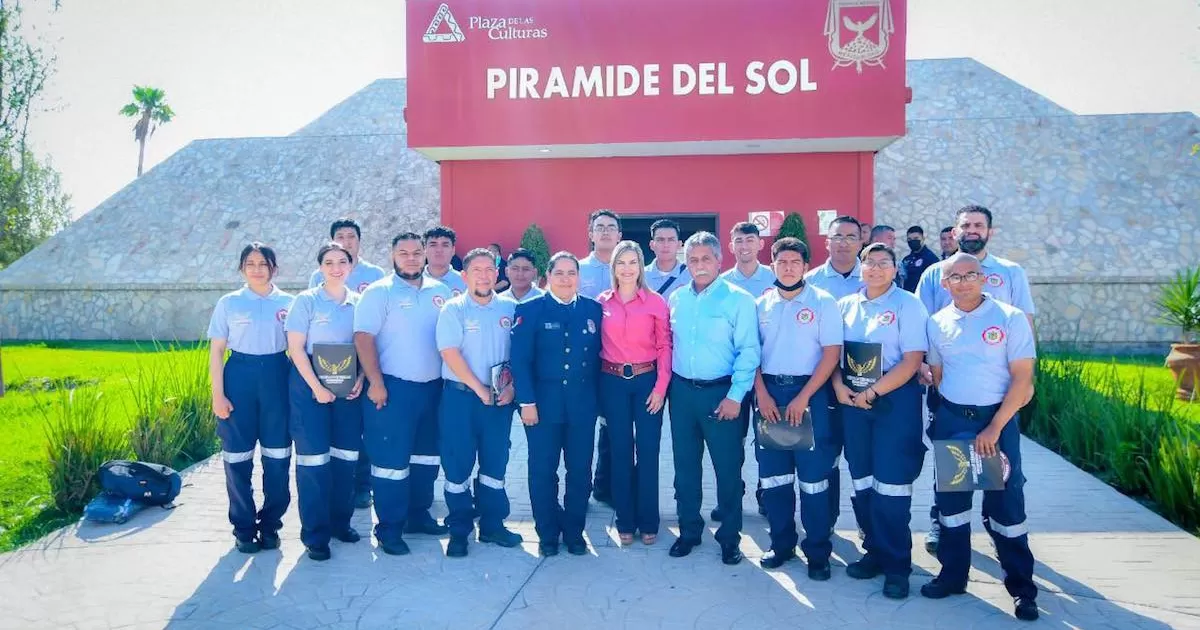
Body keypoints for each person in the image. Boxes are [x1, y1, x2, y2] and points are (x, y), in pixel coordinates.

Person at [922, 253, 1040, 622]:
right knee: (952, 505)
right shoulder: (938, 322)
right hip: (954, 420)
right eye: (955, 277)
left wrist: (994, 427)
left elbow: (1023, 378)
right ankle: (953, 575)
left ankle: (1021, 589)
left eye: (970, 274)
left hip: (996, 422)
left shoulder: (1009, 318)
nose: (963, 282)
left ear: (984, 278)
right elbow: (938, 374)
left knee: (1006, 508)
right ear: (945, 284)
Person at [915, 205, 1035, 553]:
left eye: (978, 225)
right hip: (950, 393)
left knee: (1004, 478)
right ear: (954, 232)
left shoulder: (1010, 273)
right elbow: (924, 327)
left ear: (989, 231)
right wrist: (924, 366)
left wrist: (1026, 381)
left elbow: (1026, 327)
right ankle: (943, 528)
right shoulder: (934, 274)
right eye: (965, 225)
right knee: (950, 472)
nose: (971, 230)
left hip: (998, 393)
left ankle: (1001, 536)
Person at [832, 243, 930, 598]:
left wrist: (873, 392)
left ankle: (897, 566)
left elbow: (912, 361)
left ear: (894, 268)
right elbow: (833, 355)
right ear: (860, 268)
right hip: (853, 401)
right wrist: (838, 386)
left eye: (883, 263)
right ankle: (873, 550)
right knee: (862, 479)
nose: (875, 268)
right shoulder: (845, 306)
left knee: (891, 483)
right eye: (869, 262)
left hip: (893, 399)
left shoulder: (908, 305)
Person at [353, 232, 452, 556]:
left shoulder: (441, 292)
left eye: (416, 252)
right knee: (391, 462)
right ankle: (389, 529)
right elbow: (363, 338)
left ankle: (417, 515)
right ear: (392, 256)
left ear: (424, 255)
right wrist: (376, 382)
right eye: (403, 253)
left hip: (433, 390)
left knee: (426, 458)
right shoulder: (379, 292)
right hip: (392, 390)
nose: (411, 258)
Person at [667, 231, 759, 566]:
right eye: (693, 259)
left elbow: (749, 351)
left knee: (728, 470)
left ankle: (730, 538)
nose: (700, 265)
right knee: (685, 467)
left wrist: (736, 396)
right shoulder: (677, 299)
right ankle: (689, 530)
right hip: (682, 394)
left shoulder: (739, 300)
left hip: (722, 394)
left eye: (706, 258)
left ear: (720, 260)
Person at [752, 237, 842, 579]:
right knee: (774, 477)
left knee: (813, 478)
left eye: (795, 262)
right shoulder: (761, 305)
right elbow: (751, 353)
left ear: (806, 266)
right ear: (772, 265)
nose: (788, 267)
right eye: (782, 261)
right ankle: (781, 543)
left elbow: (831, 355)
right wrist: (761, 394)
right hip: (770, 395)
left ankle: (817, 551)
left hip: (811, 394)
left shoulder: (823, 302)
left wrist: (804, 396)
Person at [510, 251, 604, 556]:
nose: (565, 279)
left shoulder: (593, 310)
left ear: (579, 277)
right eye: (559, 273)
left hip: (582, 406)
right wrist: (526, 402)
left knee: (580, 471)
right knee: (542, 471)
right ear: (547, 277)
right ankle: (547, 533)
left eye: (571, 273)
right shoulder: (530, 310)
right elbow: (520, 361)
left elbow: (599, 360)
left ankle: (574, 532)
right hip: (542, 407)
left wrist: (600, 405)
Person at [435, 248, 523, 557]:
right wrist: (479, 389)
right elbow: (450, 353)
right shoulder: (453, 309)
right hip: (460, 398)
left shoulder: (511, 308)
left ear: (497, 274)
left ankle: (492, 525)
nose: (484, 276)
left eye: (489, 270)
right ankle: (459, 530)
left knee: (495, 462)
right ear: (464, 276)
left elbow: (520, 354)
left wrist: (512, 388)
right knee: (457, 464)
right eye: (477, 270)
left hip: (499, 401)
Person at [207, 242, 293, 554]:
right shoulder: (229, 303)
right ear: (242, 268)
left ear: (274, 268)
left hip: (277, 377)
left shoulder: (289, 303)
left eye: (263, 263)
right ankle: (243, 529)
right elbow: (217, 351)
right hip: (239, 378)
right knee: (237, 458)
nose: (257, 269)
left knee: (278, 458)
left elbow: (298, 349)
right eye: (250, 263)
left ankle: (270, 526)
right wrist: (218, 395)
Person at [284, 242, 366, 561]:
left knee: (345, 458)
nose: (336, 268)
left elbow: (366, 347)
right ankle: (316, 535)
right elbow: (295, 348)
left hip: (348, 389)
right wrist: (317, 387)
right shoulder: (306, 301)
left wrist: (360, 378)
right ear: (320, 267)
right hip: (309, 389)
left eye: (342, 262)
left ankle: (340, 523)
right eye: (329, 262)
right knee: (314, 461)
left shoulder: (360, 303)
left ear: (351, 266)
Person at [595, 241, 671, 546]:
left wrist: (661, 388)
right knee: (620, 451)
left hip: (647, 381)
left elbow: (665, 346)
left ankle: (649, 520)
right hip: (612, 382)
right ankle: (625, 519)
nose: (627, 269)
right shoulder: (601, 303)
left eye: (633, 262)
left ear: (641, 266)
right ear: (613, 267)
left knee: (649, 451)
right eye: (621, 263)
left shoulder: (656, 302)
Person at [307, 218, 386, 510]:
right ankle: (334, 484)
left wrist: (365, 372)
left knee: (359, 427)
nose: (346, 241)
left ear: (359, 241)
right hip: (326, 363)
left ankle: (362, 486)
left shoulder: (375, 275)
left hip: (359, 360)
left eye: (351, 236)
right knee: (330, 426)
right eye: (340, 236)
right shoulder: (317, 277)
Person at [804, 215, 866, 536]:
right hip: (821, 384)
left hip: (864, 383)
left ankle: (868, 528)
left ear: (861, 241)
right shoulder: (810, 282)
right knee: (824, 456)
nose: (843, 243)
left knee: (862, 457)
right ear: (826, 242)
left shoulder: (874, 276)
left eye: (851, 237)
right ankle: (824, 524)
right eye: (837, 236)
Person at [715, 221, 775, 521]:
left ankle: (768, 496)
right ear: (730, 246)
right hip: (734, 376)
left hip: (769, 374)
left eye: (750, 240)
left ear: (760, 244)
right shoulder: (721, 283)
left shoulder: (776, 278)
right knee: (731, 442)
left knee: (768, 440)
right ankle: (731, 497)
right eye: (739, 241)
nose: (744, 246)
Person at [580, 210, 622, 506]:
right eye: (600, 227)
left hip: (617, 360)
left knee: (613, 425)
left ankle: (607, 485)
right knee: (582, 426)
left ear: (619, 235)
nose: (605, 232)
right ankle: (579, 489)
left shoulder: (630, 267)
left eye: (611, 227)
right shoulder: (577, 269)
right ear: (591, 234)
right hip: (582, 360)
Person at [644, 218, 691, 299]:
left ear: (679, 245)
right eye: (660, 240)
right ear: (652, 245)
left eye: (671, 240)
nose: (666, 245)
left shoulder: (691, 275)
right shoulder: (640, 276)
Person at [424, 225, 467, 296]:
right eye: (433, 245)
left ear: (453, 250)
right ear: (425, 250)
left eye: (445, 245)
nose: (439, 250)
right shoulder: (413, 281)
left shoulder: (465, 283)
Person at [901, 226, 940, 293]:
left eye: (916, 238)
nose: (912, 241)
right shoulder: (906, 259)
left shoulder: (931, 258)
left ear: (923, 239)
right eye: (909, 239)